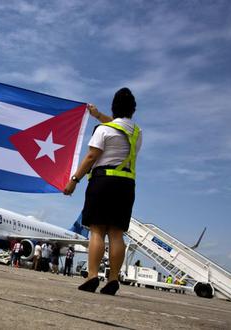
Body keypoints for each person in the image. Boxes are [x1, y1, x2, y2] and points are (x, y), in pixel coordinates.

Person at [64, 88, 142, 296]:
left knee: (96, 230)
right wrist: (98, 115)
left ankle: (92, 276)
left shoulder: (103, 130)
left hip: (103, 182)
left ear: (113, 108)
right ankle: (113, 279)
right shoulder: (136, 133)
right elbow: (117, 125)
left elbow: (91, 157)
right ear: (133, 110)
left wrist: (74, 180)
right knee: (116, 233)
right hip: (126, 185)